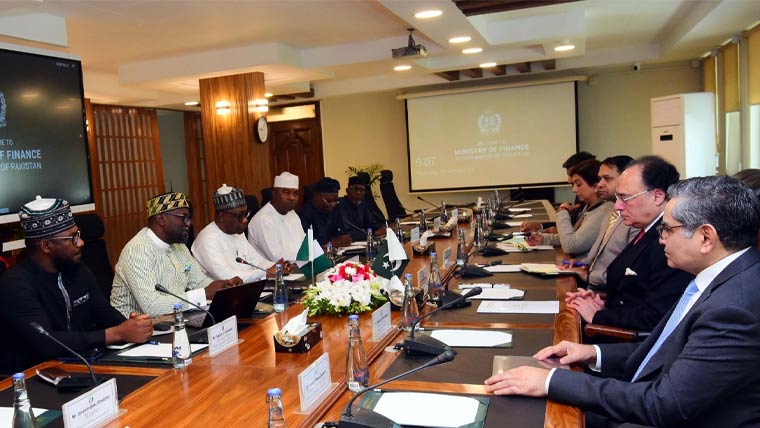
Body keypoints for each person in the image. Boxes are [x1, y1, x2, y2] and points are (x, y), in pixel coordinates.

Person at [484, 175, 760, 428]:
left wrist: (551, 381)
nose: (661, 240)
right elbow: (665, 351)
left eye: (667, 230)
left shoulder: (735, 308)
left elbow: (664, 404)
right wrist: (593, 352)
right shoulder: (721, 277)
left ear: (706, 237)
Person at [0, 196, 152, 374]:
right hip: (32, 376)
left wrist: (132, 325)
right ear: (46, 246)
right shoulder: (15, 283)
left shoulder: (77, 269)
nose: (80, 242)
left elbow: (103, 312)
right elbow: (46, 343)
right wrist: (116, 333)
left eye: (78, 235)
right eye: (72, 238)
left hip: (81, 364)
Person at [566, 156, 693, 332]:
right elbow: (634, 292)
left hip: (625, 342)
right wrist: (602, 302)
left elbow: (656, 316)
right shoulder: (647, 229)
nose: (617, 206)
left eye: (625, 198)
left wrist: (599, 315)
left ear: (657, 196)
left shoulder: (669, 241)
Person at [110, 192, 239, 317]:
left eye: (189, 218)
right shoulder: (137, 250)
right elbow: (151, 306)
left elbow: (199, 282)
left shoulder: (179, 247)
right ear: (161, 219)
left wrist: (225, 288)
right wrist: (203, 295)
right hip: (135, 328)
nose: (188, 223)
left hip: (172, 321)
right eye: (183, 217)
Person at [563, 155, 638, 290]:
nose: (600, 184)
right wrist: (580, 263)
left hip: (605, 291)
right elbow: (596, 255)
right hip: (591, 285)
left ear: (626, 179)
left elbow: (629, 272)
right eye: (599, 179)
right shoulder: (612, 212)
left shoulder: (636, 219)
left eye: (607, 179)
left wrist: (589, 276)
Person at [192, 184, 285, 283]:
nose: (245, 220)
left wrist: (278, 267)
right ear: (222, 217)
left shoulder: (237, 232)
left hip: (248, 288)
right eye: (239, 216)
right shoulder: (207, 239)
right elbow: (226, 276)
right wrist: (265, 273)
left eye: (246, 214)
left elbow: (256, 260)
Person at [528, 159, 612, 259]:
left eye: (578, 184)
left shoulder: (603, 211)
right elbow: (575, 236)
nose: (574, 189)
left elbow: (571, 246)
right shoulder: (589, 206)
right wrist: (544, 239)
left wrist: (563, 211)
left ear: (595, 186)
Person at [247, 172, 306, 261]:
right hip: (272, 269)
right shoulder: (263, 219)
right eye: (286, 192)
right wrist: (308, 256)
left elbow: (304, 243)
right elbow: (277, 257)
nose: (292, 198)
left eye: (295, 194)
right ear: (274, 193)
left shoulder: (292, 214)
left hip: (298, 265)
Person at [297, 177, 352, 247]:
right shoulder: (304, 214)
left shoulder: (335, 209)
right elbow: (310, 246)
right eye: (328, 201)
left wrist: (338, 241)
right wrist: (332, 244)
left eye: (335, 201)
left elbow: (344, 237)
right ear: (316, 196)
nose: (333, 204)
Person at [334, 176, 387, 241]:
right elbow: (346, 231)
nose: (358, 193)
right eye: (355, 189)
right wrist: (373, 234)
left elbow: (370, 224)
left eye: (362, 190)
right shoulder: (339, 205)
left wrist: (383, 228)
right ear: (347, 190)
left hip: (362, 241)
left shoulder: (362, 204)